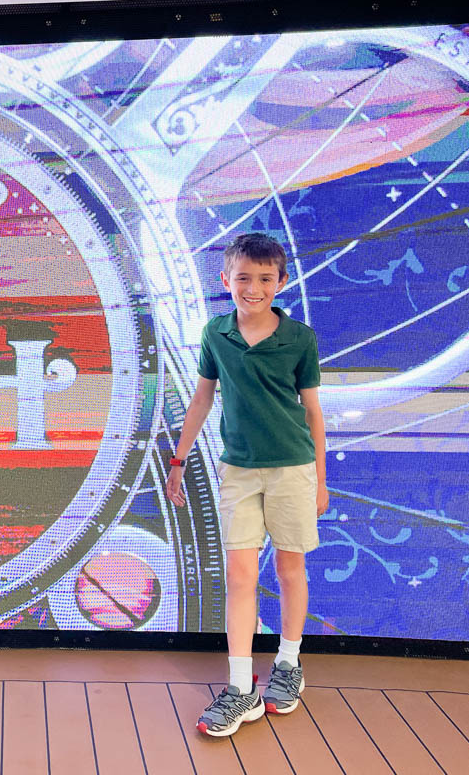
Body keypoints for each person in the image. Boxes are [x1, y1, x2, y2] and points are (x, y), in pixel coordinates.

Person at [165, 232, 328, 737]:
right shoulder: (216, 334)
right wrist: (177, 460)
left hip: (292, 470)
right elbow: (200, 401)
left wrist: (321, 479)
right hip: (238, 471)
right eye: (243, 278)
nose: (252, 288)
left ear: (280, 282)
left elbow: (314, 412)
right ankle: (241, 690)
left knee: (289, 568)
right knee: (239, 575)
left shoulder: (299, 338)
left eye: (264, 279)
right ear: (226, 280)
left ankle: (289, 664)